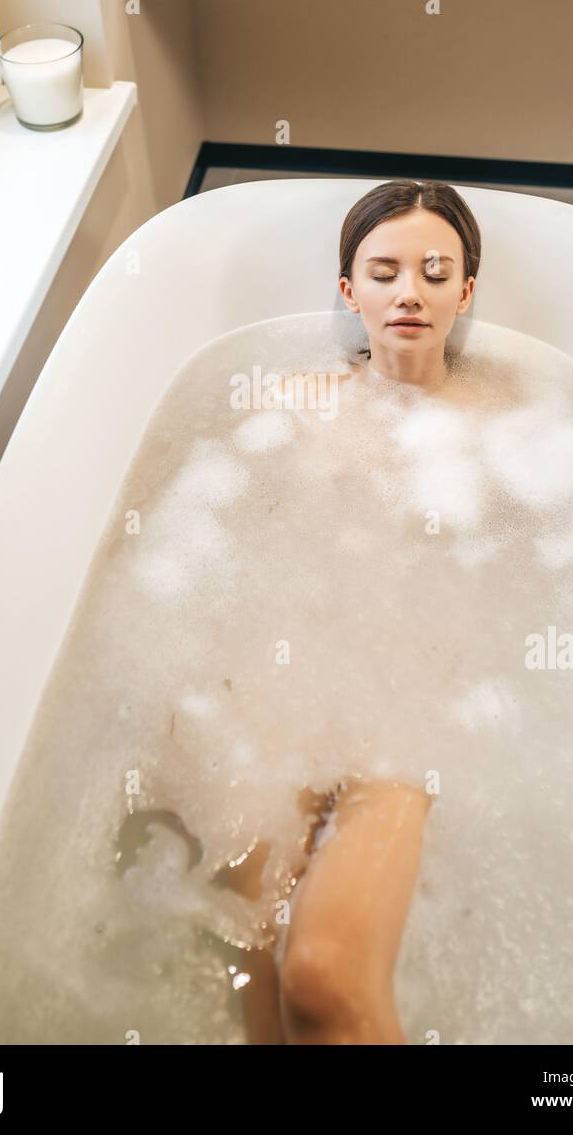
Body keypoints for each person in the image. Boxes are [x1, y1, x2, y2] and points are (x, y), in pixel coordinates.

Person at [225, 179, 482, 1045]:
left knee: (323, 977)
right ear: (348, 290)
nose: (409, 291)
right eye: (384, 271)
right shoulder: (293, 401)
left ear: (465, 292)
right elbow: (222, 547)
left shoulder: (508, 429)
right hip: (282, 680)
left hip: (411, 699)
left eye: (434, 272)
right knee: (249, 954)